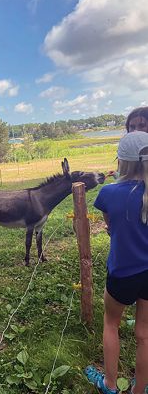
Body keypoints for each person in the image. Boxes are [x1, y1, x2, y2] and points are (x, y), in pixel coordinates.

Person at [85, 131, 148, 394]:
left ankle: (110, 385)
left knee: (111, 324)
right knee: (144, 334)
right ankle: (140, 387)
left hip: (122, 272)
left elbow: (111, 228)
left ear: (121, 161)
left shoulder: (108, 193)